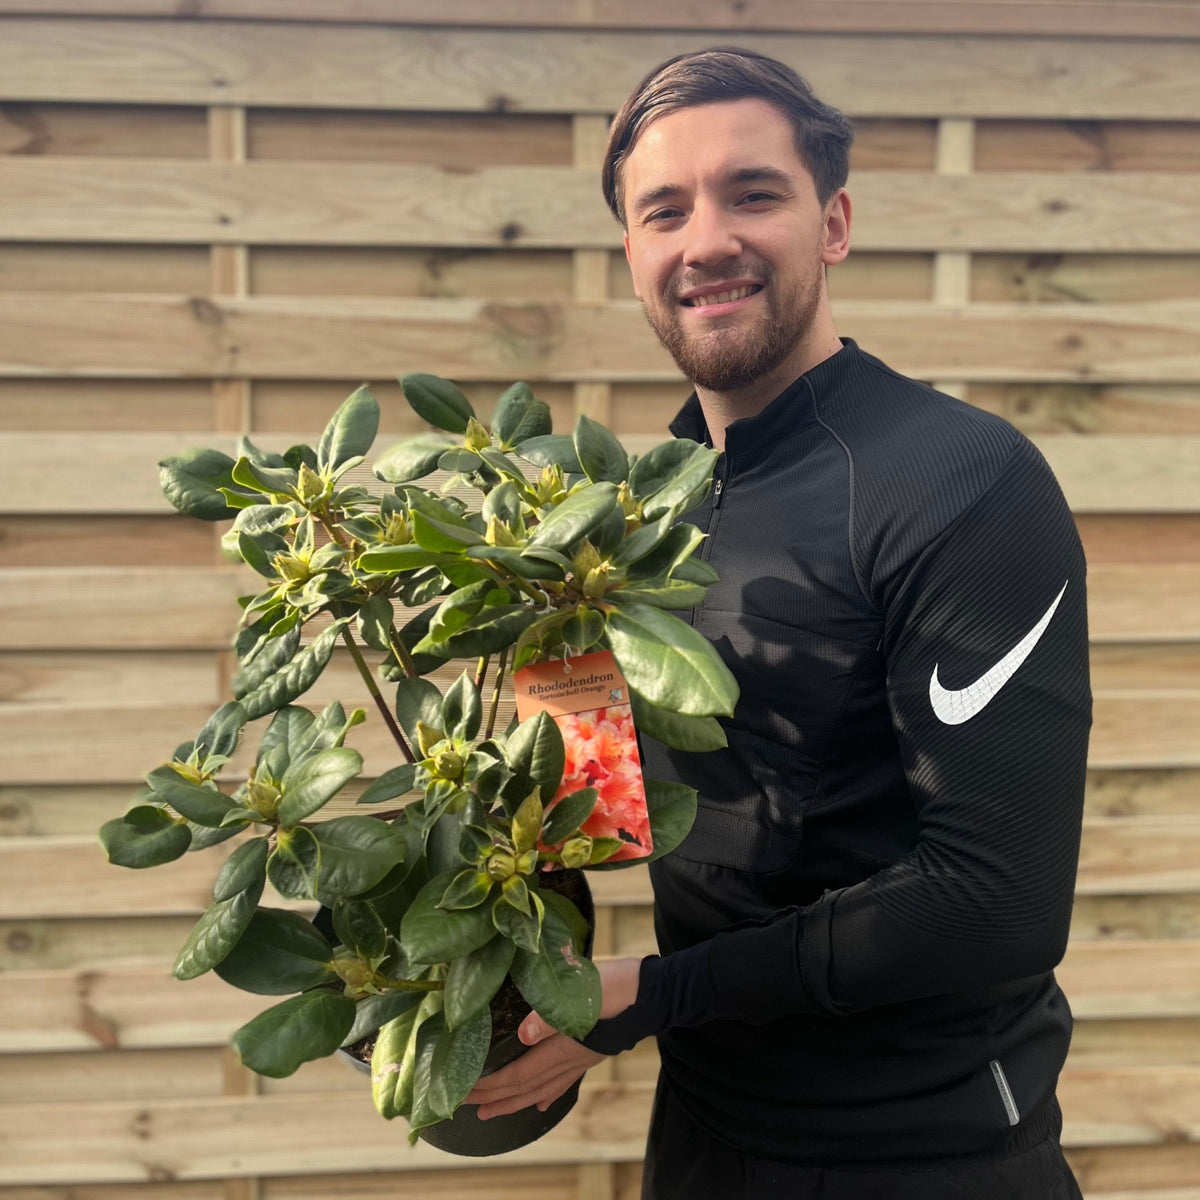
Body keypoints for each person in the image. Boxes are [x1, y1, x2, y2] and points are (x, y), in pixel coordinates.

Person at [466, 47, 1092, 1200]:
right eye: (666, 210)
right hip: (705, 1138)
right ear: (635, 256)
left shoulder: (962, 482)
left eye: (753, 193)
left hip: (925, 1155)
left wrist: (647, 996)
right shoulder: (626, 516)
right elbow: (602, 810)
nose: (707, 240)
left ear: (833, 223)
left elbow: (995, 904)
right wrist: (480, 917)